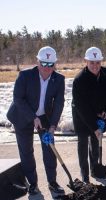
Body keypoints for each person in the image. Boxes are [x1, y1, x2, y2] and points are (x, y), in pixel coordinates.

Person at [6, 46, 65, 195]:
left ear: (54, 64)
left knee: (49, 149)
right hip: (22, 116)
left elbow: (59, 104)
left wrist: (52, 126)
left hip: (45, 117)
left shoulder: (59, 79)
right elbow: (18, 99)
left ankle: (52, 182)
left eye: (50, 64)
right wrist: (33, 117)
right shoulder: (25, 75)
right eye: (43, 63)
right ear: (37, 61)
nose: (46, 67)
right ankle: (33, 184)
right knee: (26, 151)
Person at [72, 47, 106, 183]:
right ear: (86, 61)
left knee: (95, 142)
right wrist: (94, 127)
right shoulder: (79, 80)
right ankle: (84, 174)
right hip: (81, 114)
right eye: (92, 62)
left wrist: (105, 111)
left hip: (99, 113)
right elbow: (82, 107)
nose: (95, 66)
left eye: (97, 62)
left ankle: (95, 169)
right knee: (83, 142)